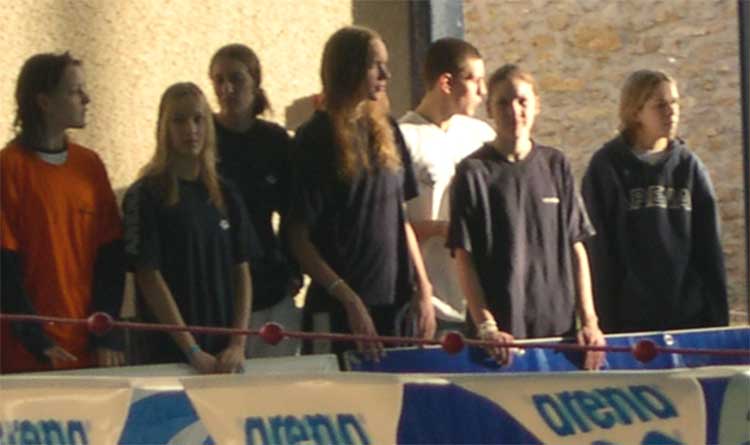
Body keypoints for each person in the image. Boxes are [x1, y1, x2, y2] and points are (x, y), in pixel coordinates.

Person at [288, 26, 436, 359]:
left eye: (386, 64)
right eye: (374, 65)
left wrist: (423, 287)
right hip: (340, 311)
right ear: (348, 68)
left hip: (395, 305)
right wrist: (348, 298)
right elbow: (298, 238)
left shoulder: (388, 128)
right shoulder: (315, 138)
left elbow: (399, 218)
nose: (385, 74)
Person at [447, 64, 604, 369]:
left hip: (559, 339)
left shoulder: (556, 165)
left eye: (522, 101)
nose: (513, 111)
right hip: (500, 345)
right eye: (503, 102)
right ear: (489, 109)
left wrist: (590, 321)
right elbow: (463, 257)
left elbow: (576, 247)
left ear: (536, 105)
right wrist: (487, 327)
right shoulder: (472, 173)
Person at [0, 52, 125, 373]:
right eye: (74, 91)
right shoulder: (9, 168)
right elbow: (5, 269)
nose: (87, 98)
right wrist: (35, 339)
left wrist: (106, 334)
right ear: (44, 102)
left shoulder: (90, 166)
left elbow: (111, 258)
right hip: (26, 354)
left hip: (88, 346)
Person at [582, 69, 728, 333]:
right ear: (636, 112)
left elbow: (710, 249)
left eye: (675, 103)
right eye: (660, 105)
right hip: (629, 320)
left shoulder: (689, 167)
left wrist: (716, 322)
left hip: (687, 318)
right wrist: (603, 322)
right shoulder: (607, 167)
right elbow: (598, 252)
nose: (671, 112)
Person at [123, 82, 255, 374]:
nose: (190, 130)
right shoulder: (146, 195)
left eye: (198, 120)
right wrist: (191, 349)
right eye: (179, 121)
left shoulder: (225, 194)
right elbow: (149, 276)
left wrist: (237, 342)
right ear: (164, 128)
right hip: (168, 355)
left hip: (223, 352)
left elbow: (242, 271)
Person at [209, 44, 302, 358]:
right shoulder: (205, 137)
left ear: (255, 81)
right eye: (219, 80)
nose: (227, 89)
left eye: (236, 79)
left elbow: (292, 213)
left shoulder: (274, 141)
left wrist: (293, 269)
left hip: (269, 280)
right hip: (219, 285)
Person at [399, 38, 495, 337]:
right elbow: (391, 224)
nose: (482, 91)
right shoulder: (403, 138)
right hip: (435, 303)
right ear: (446, 83)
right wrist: (443, 229)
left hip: (483, 303)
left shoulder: (481, 135)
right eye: (474, 80)